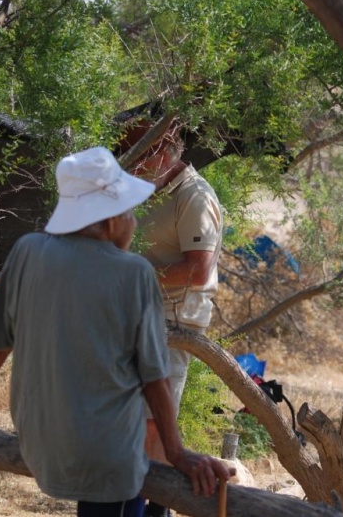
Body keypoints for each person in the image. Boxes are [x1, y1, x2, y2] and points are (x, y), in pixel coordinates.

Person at [0, 146, 229, 517]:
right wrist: (178, 453)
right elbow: (154, 376)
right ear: (110, 217)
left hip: (40, 443)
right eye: (128, 210)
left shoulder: (26, 251)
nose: (133, 219)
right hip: (105, 457)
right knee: (125, 469)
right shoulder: (134, 273)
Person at [117, 120, 223, 517]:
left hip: (173, 327)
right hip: (137, 320)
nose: (131, 168)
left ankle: (153, 511)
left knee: (155, 431)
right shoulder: (149, 189)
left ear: (161, 153)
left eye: (138, 158)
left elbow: (198, 270)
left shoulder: (195, 195)